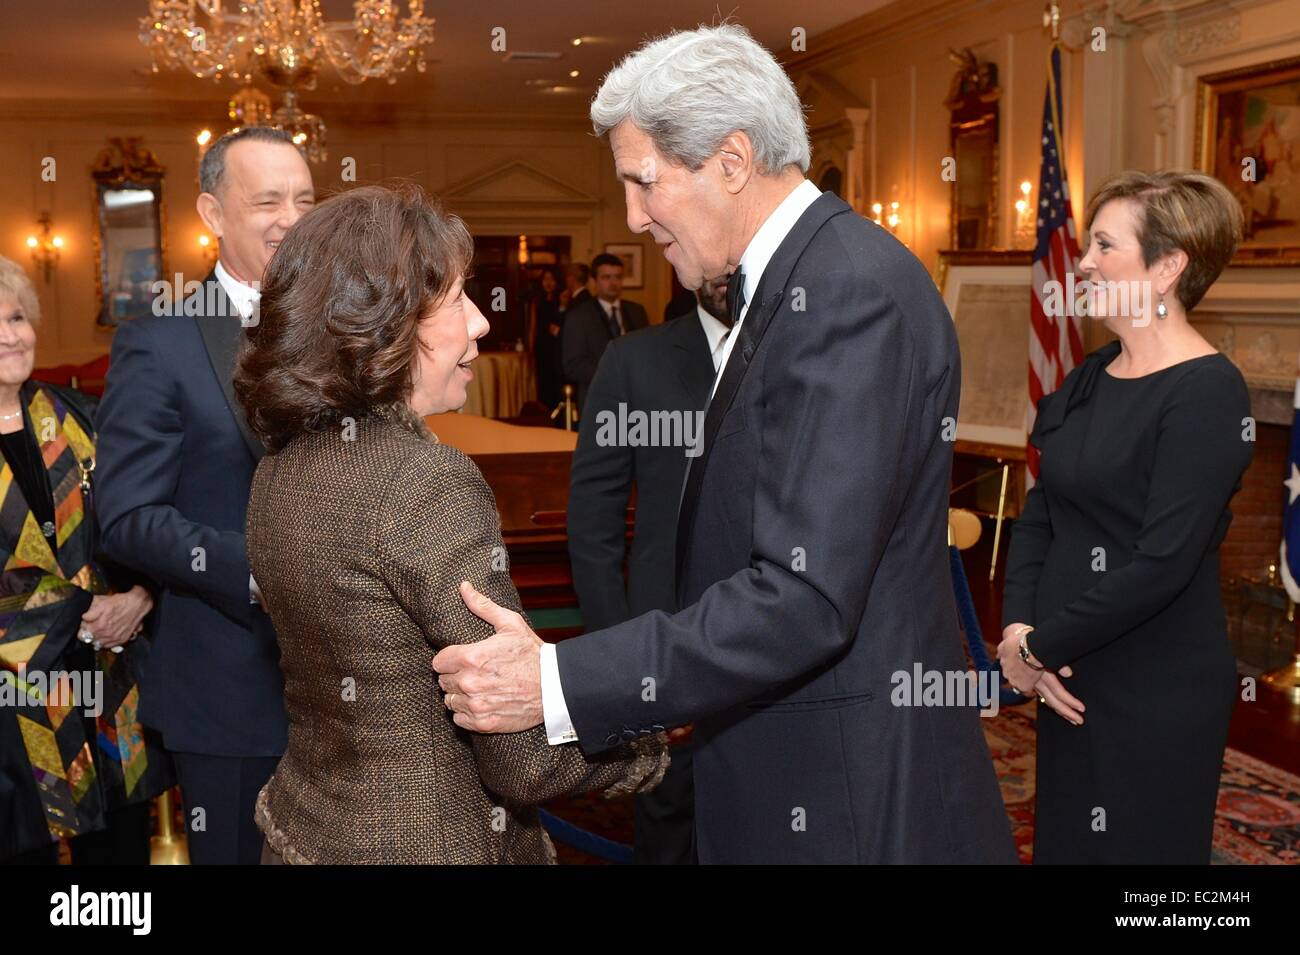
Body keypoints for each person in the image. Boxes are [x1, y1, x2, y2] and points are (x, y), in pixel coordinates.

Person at [434, 23, 1015, 864]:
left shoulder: (845, 293)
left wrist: (557, 680)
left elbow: (803, 596)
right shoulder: (802, 281)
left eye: (643, 182)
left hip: (847, 792)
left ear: (733, 160)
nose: (633, 218)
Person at [233, 183, 666, 864]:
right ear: (388, 322)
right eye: (459, 298)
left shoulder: (278, 468)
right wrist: (653, 733)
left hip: (302, 834)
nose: (480, 323)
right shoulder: (425, 480)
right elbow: (523, 760)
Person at [998, 170, 1251, 864]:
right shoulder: (1089, 374)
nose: (1082, 263)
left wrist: (1037, 647)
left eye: (1105, 245)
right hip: (1067, 673)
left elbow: (1160, 564)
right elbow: (1041, 511)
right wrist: (1019, 628)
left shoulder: (1208, 392)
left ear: (1168, 266)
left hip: (1153, 686)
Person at [95, 126, 315, 865]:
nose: (292, 216)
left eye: (305, 198)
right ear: (213, 214)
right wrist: (253, 569)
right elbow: (126, 516)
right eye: (268, 200)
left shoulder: (343, 332)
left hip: (351, 695)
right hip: (230, 694)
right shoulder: (161, 341)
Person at [0, 255, 170, 866]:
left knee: (120, 850)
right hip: (15, 697)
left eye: (16, 316)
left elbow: (145, 514)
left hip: (110, 677)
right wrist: (76, 610)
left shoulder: (84, 415)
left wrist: (141, 596)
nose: (8, 335)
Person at [567, 273, 731, 864]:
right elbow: (594, 527)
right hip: (665, 662)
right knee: (669, 838)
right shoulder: (633, 361)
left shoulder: (803, 345)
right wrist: (624, 660)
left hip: (786, 668)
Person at [561, 253, 648, 413]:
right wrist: (613, 376)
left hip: (636, 402)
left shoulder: (637, 311)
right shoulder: (579, 316)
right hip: (597, 401)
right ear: (594, 281)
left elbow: (647, 353)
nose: (613, 283)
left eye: (618, 277)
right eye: (606, 277)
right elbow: (573, 365)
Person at [531, 266, 566, 411]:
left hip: (557, 346)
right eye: (545, 279)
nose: (548, 283)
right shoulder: (537, 300)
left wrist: (563, 305)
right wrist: (530, 347)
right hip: (541, 346)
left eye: (552, 279)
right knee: (543, 381)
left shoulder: (562, 299)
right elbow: (532, 326)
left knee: (556, 381)